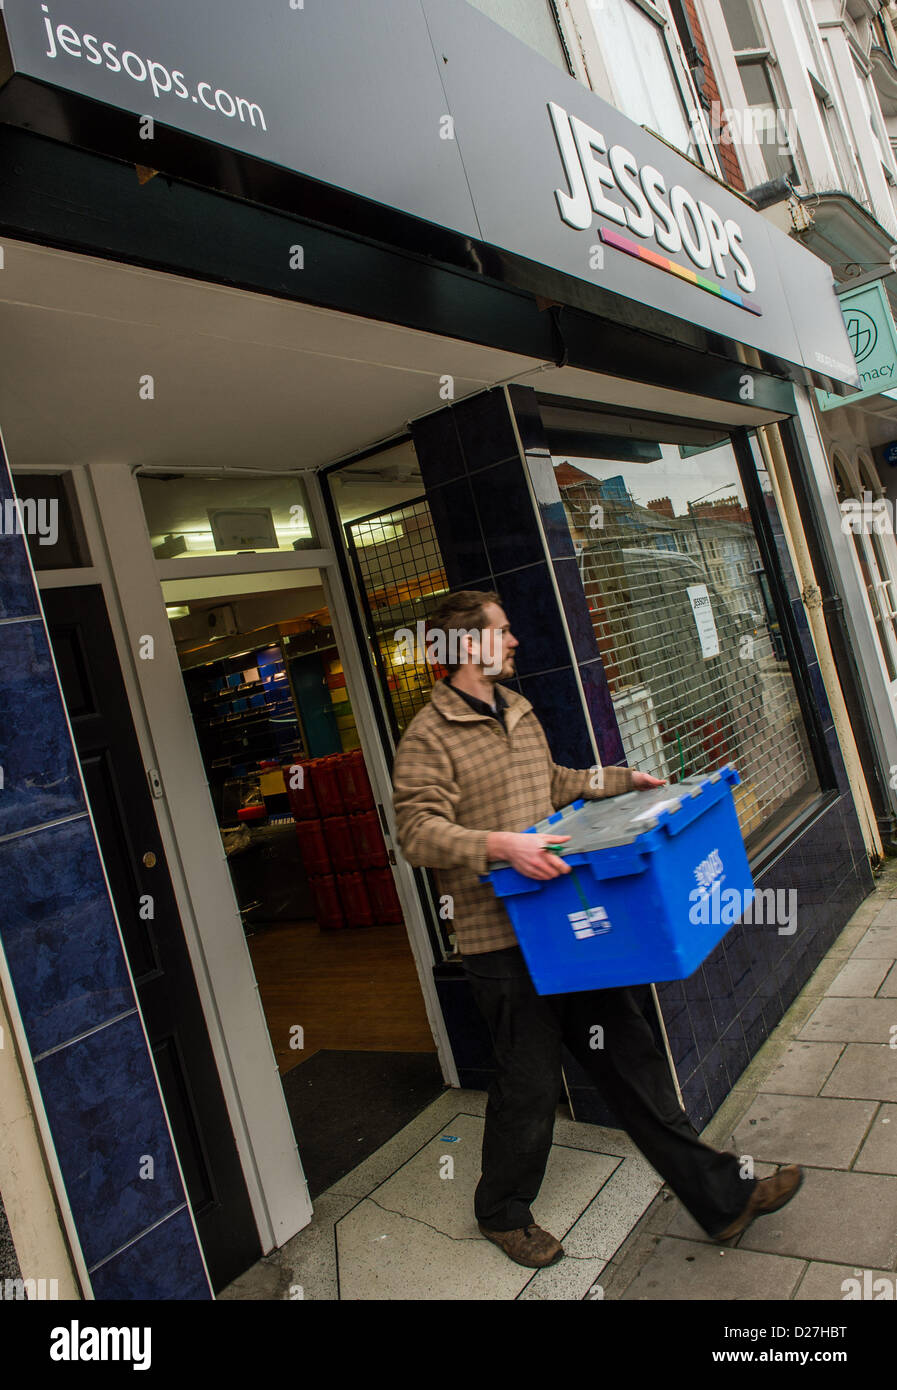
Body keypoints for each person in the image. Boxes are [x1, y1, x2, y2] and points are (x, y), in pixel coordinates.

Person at [391, 588, 802, 1270]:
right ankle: (501, 1211)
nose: (516, 639)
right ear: (469, 646)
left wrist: (618, 781)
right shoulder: (428, 737)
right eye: (504, 629)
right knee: (526, 1087)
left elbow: (550, 782)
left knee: (633, 1066)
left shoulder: (516, 709)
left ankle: (724, 1201)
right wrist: (503, 846)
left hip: (569, 933)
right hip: (502, 944)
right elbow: (415, 832)